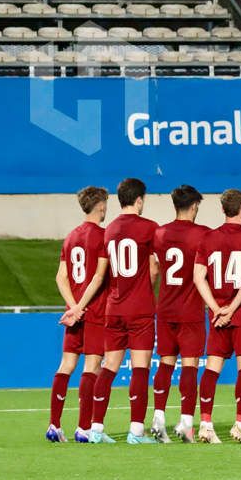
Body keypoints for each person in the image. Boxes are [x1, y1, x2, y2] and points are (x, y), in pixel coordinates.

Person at [62, 178, 160, 444]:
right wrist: (146, 288)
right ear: (139, 200)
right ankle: (136, 432)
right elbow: (153, 269)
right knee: (140, 369)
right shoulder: (150, 228)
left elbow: (100, 273)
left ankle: (95, 428)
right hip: (139, 308)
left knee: (108, 367)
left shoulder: (109, 230)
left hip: (113, 309)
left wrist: (78, 306)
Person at [193, 189, 241, 444]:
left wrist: (216, 308)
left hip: (218, 314)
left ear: (223, 209)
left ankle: (205, 423)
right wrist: (232, 307)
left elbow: (198, 277)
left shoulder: (208, 238)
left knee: (212, 367)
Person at [47, 186, 109, 443]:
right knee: (92, 366)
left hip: (74, 313)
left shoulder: (71, 237)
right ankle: (84, 428)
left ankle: (54, 425)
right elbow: (98, 276)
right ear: (101, 206)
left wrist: (72, 306)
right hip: (93, 311)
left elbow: (60, 277)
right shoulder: (103, 236)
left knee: (66, 364)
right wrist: (81, 306)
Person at [150, 185, 210, 443]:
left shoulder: (159, 234)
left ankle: (158, 416)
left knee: (165, 362)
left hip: (165, 308)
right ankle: (186, 423)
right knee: (190, 366)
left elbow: (154, 268)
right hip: (191, 310)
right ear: (194, 206)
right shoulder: (203, 235)